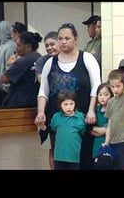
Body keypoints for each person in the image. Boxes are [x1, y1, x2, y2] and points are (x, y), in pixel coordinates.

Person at [34, 23, 101, 170]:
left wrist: (91, 110)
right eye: (60, 38)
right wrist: (40, 112)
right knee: (59, 156)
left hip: (82, 119)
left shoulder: (87, 58)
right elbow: (43, 90)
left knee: (84, 157)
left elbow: (96, 86)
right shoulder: (50, 62)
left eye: (67, 38)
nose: (63, 41)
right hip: (58, 120)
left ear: (75, 39)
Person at [35, 31, 60, 170]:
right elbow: (43, 83)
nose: (49, 48)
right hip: (47, 108)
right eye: (47, 45)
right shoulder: (42, 61)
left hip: (68, 110)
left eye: (52, 44)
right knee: (52, 146)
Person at [0, 31, 42, 107]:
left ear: (28, 47)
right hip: (34, 100)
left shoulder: (23, 61)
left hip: (19, 101)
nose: (16, 47)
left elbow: (4, 79)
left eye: (19, 45)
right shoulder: (39, 57)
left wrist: (10, 64)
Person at [50, 89, 86, 170]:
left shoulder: (80, 117)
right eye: (65, 104)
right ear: (60, 105)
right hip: (59, 157)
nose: (69, 107)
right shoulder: (56, 117)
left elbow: (84, 131)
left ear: (75, 104)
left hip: (74, 156)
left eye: (71, 104)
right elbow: (53, 128)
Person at [0, 20, 17, 106]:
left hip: (5, 88)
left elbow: (10, 67)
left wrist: (5, 86)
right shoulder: (2, 46)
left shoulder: (11, 46)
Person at [91, 82, 114, 159]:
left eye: (105, 94)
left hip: (109, 142)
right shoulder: (95, 110)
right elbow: (91, 128)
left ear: (111, 96)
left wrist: (105, 130)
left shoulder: (112, 110)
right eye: (100, 95)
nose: (102, 97)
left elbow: (111, 128)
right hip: (97, 141)